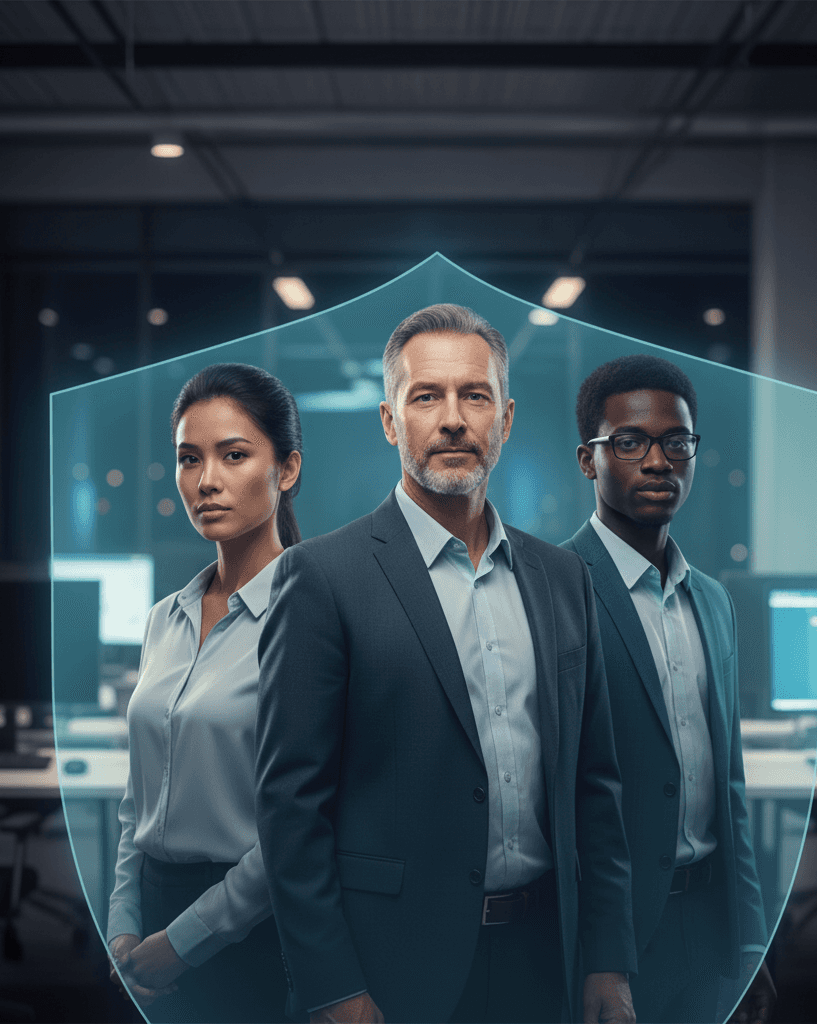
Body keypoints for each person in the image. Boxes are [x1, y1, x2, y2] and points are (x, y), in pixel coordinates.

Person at [255, 304, 636, 1024]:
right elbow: (288, 810)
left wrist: (608, 961)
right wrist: (329, 984)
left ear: (507, 418)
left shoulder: (563, 578)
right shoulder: (321, 577)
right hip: (387, 966)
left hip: (542, 958)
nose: (454, 419)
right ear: (390, 421)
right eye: (426, 396)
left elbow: (597, 787)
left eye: (475, 395)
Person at [561, 354, 777, 1024]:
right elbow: (561, 797)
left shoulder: (712, 601)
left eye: (676, 442)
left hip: (709, 923)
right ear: (588, 460)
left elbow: (730, 789)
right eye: (629, 442)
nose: (658, 461)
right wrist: (602, 954)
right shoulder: (553, 590)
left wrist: (751, 940)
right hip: (612, 934)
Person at [105, 363, 303, 1023]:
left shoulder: (311, 621)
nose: (207, 481)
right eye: (190, 459)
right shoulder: (167, 616)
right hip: (153, 919)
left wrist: (183, 944)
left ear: (287, 470)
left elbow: (299, 830)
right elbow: (137, 802)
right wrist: (124, 928)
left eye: (234, 455)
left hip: (248, 928)